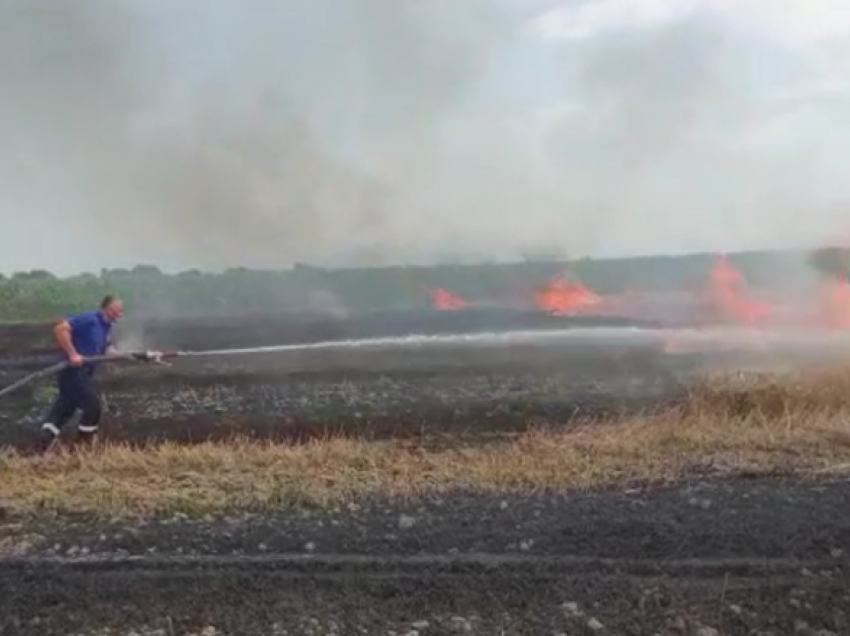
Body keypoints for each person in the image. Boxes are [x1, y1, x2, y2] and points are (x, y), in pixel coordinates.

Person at [36, 294, 125, 452]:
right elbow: (61, 328)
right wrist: (72, 354)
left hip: (84, 374)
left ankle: (41, 444)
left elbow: (106, 350)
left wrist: (125, 355)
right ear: (109, 309)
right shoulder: (90, 319)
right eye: (119, 310)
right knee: (92, 405)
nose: (121, 314)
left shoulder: (106, 327)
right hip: (73, 372)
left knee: (64, 409)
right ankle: (81, 448)